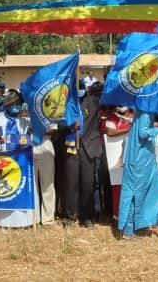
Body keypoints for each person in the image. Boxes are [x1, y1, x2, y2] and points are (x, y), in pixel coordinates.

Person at [116, 108, 158, 240]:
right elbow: (142, 133)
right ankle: (128, 232)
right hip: (139, 163)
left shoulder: (147, 110)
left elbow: (147, 128)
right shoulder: (145, 111)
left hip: (148, 160)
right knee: (134, 196)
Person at [62, 81, 103, 227]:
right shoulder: (66, 104)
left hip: (88, 148)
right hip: (71, 148)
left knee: (88, 184)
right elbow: (60, 124)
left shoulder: (93, 101)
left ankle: (87, 216)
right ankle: (70, 216)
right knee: (71, 184)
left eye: (80, 88)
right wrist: (70, 126)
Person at [0, 96, 33, 228]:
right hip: (2, 158)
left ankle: (22, 222)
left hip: (19, 159)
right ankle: (0, 221)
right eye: (13, 104)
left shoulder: (23, 120)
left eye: (18, 104)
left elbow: (27, 138)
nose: (16, 107)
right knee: (2, 189)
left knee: (19, 188)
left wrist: (29, 131)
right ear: (7, 105)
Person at [102, 106, 133, 220]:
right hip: (117, 162)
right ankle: (118, 216)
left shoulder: (136, 118)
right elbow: (110, 132)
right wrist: (130, 129)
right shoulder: (112, 119)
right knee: (118, 189)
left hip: (134, 160)